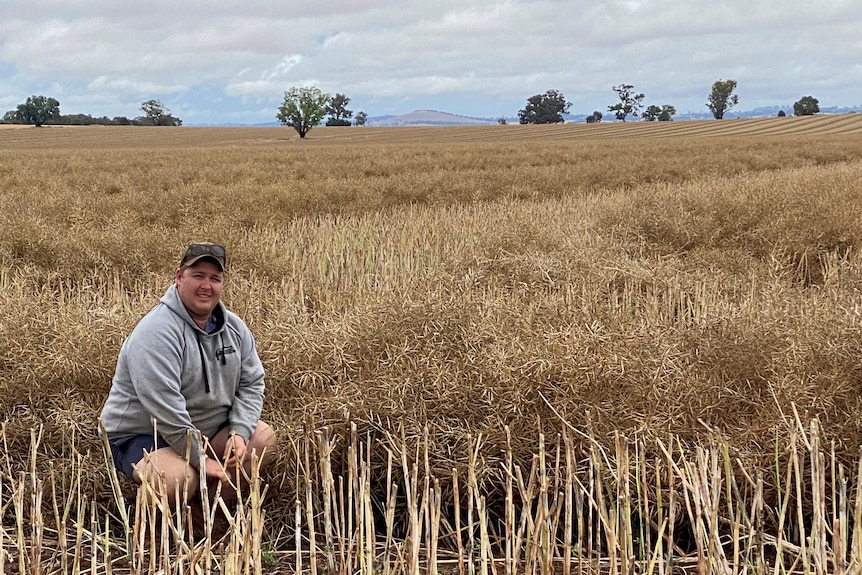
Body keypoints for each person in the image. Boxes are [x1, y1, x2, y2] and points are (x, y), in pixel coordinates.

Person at [100, 242, 276, 502]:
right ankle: (147, 537)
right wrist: (200, 459)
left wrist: (238, 432)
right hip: (145, 435)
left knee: (261, 439)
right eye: (198, 276)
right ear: (179, 277)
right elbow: (164, 408)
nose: (207, 286)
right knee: (178, 478)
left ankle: (205, 522)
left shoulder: (236, 329)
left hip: (204, 431)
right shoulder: (156, 332)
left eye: (215, 278)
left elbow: (252, 383)